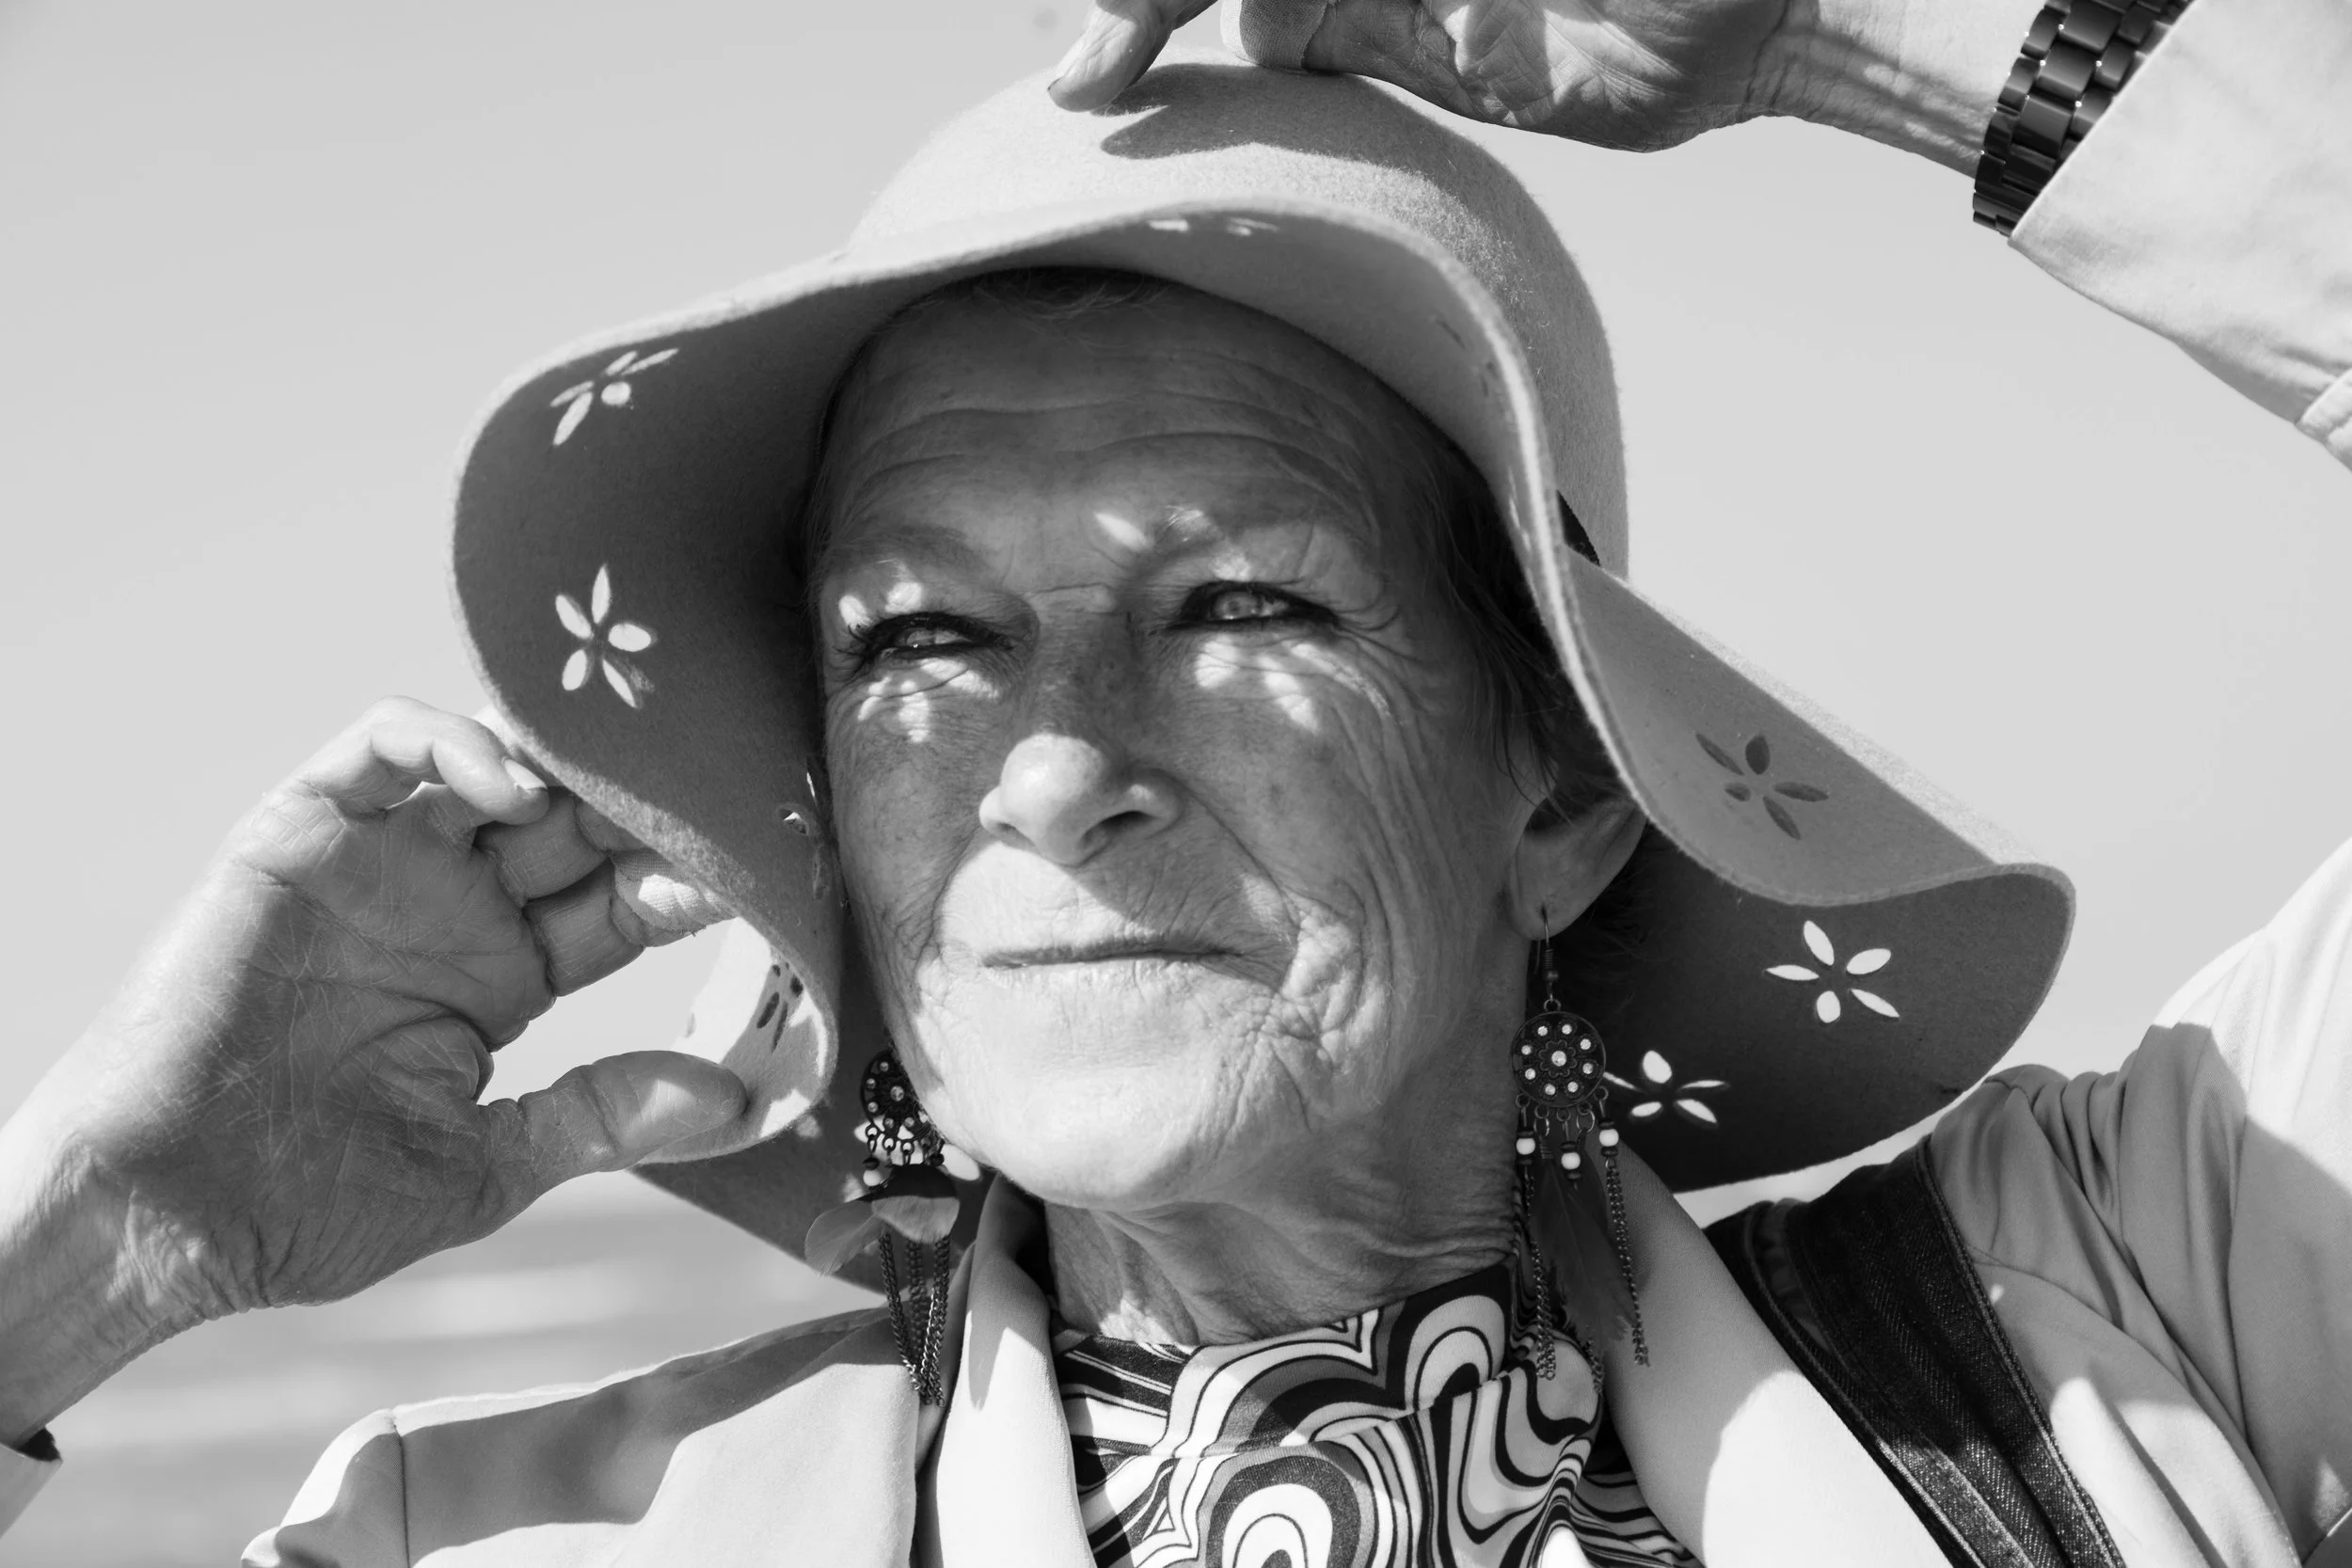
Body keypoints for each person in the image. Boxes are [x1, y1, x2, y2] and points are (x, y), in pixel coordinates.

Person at [0, 0, 2345, 1561]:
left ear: (1562, 789)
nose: (1047, 774)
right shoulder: (503, 1544)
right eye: (919, 640)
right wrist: (92, 1248)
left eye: (1236, 603)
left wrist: (1878, 25)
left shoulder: (2130, 1310)